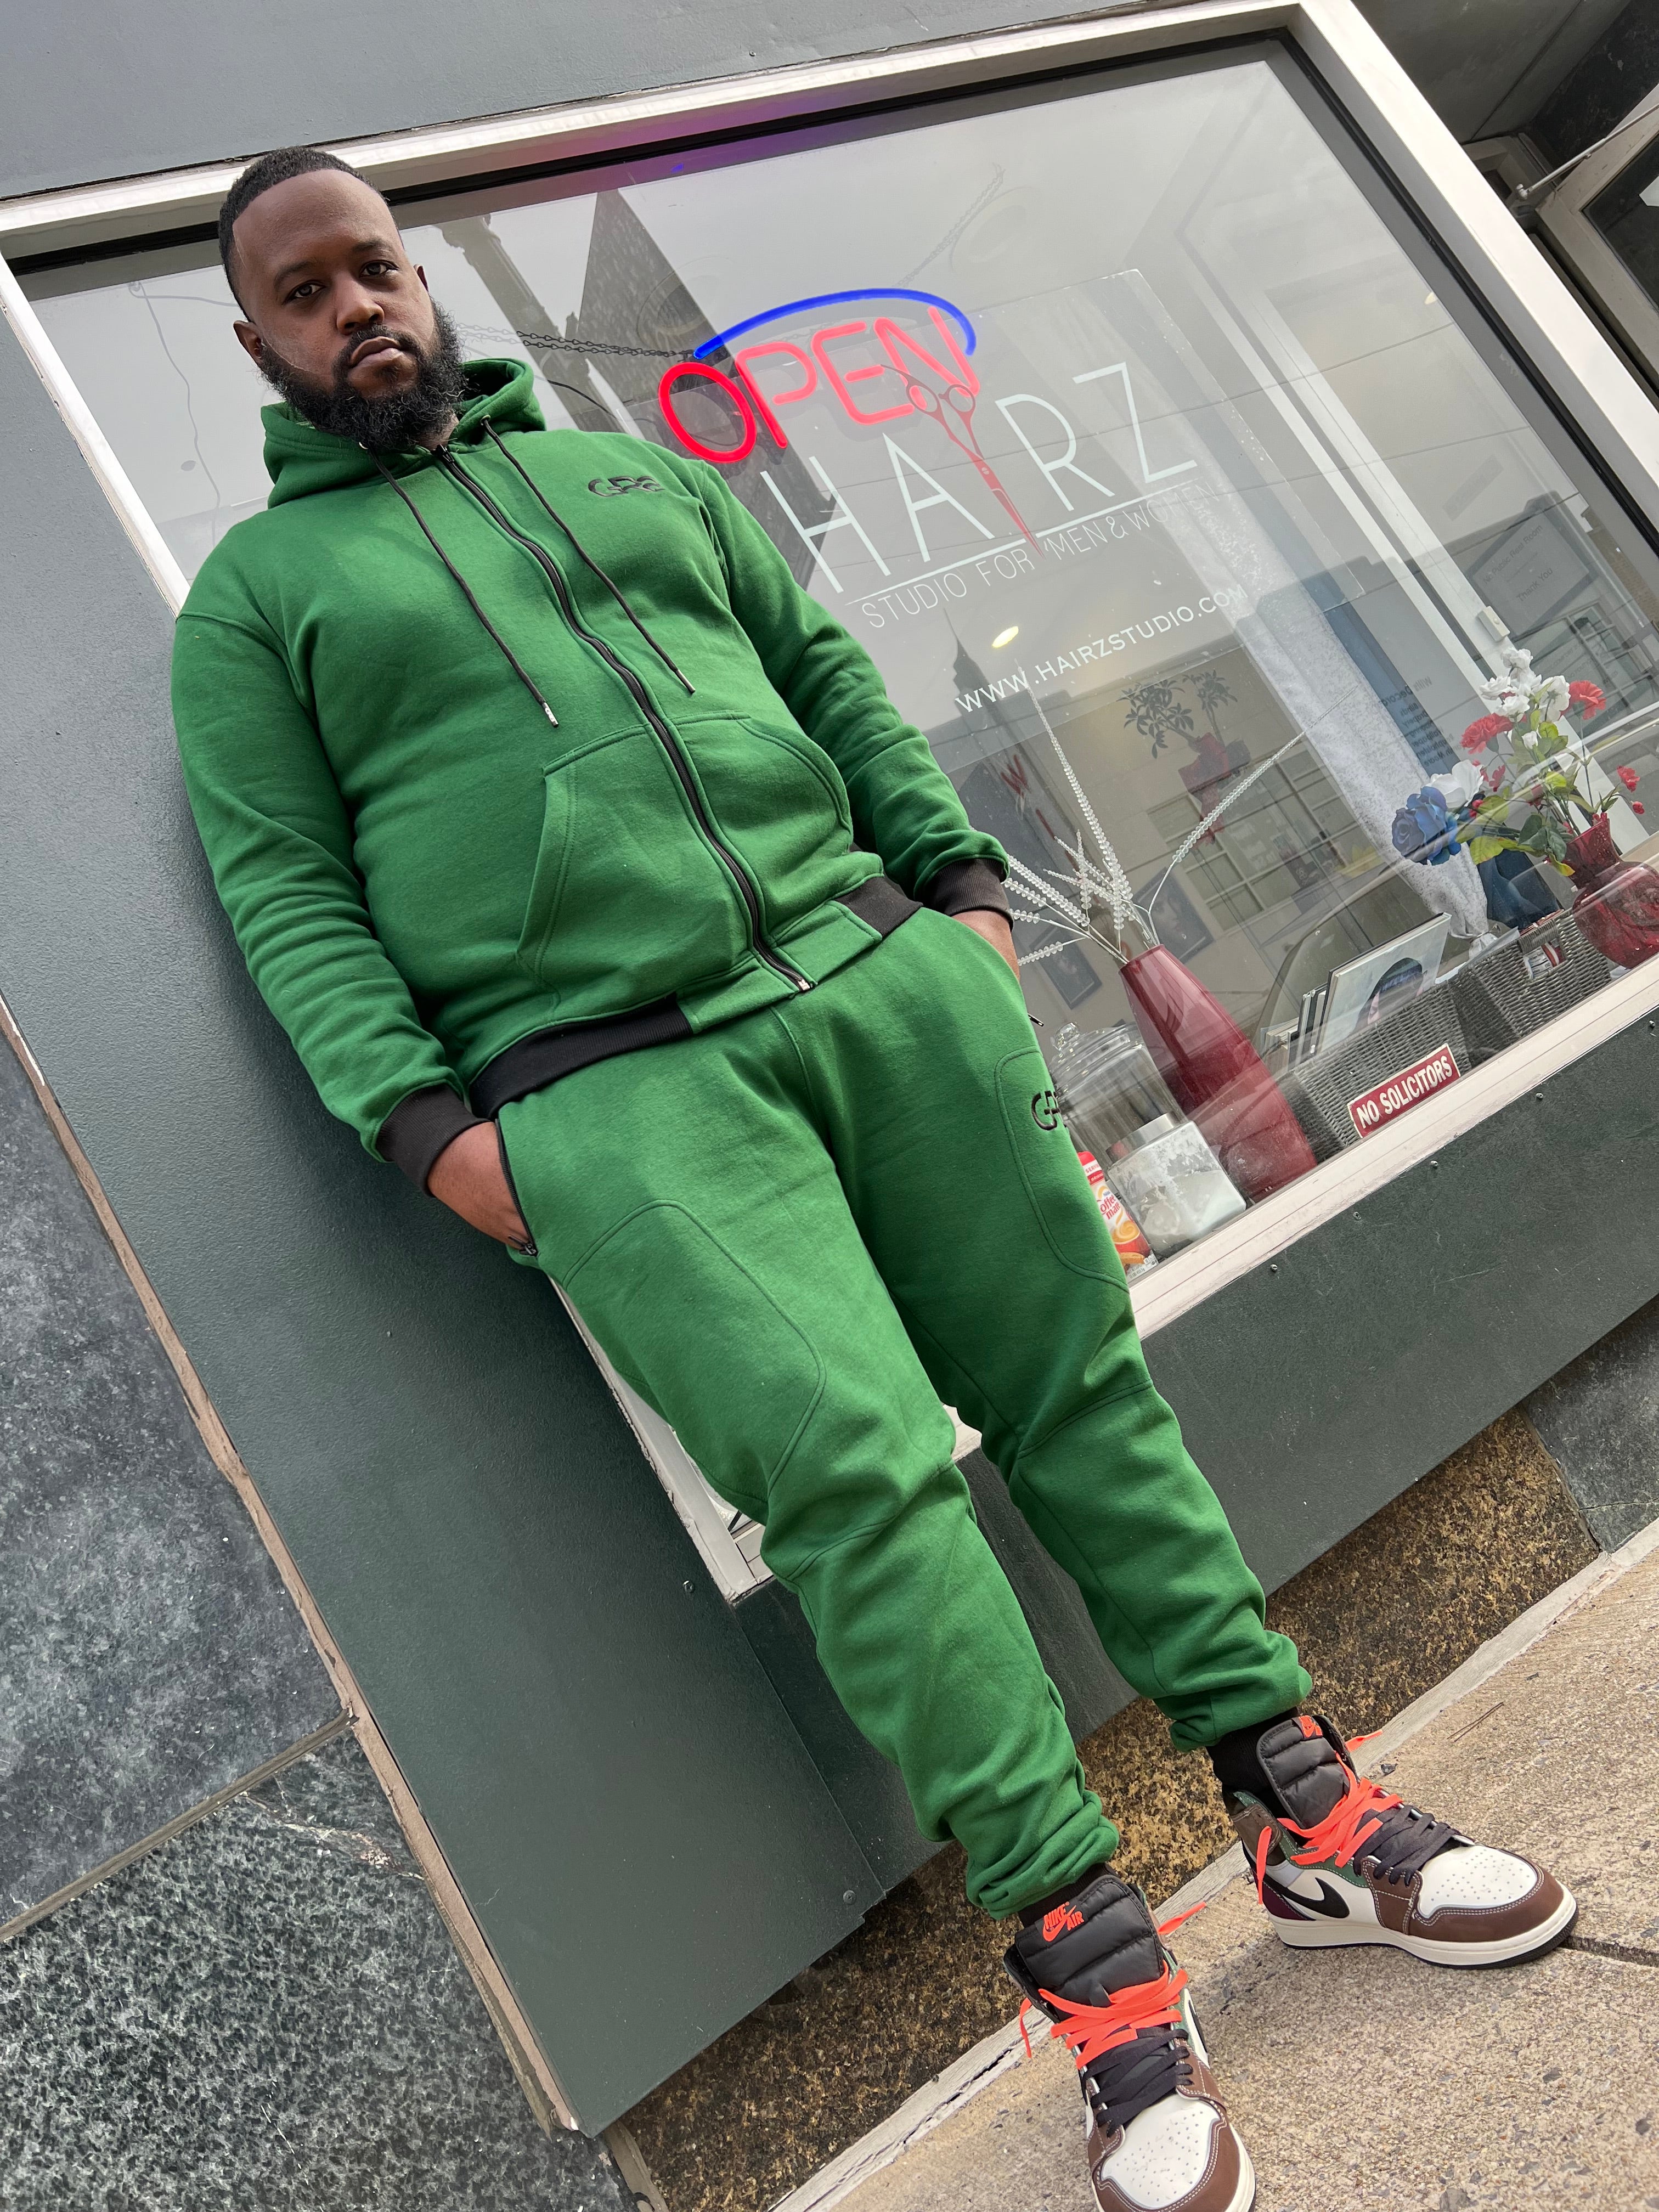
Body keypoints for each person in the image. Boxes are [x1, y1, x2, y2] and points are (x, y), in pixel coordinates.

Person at [173, 145, 1575, 2212]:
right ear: (258, 343)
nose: (356, 308)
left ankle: (1308, 1811)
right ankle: (1101, 1981)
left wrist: (962, 903)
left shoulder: (634, 476)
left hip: (881, 980)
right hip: (614, 1090)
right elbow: (285, 888)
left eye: (375, 267)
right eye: (305, 294)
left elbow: (826, 671)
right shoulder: (256, 606)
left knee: (1081, 1390)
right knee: (859, 1494)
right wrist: (437, 1132)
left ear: (418, 280)